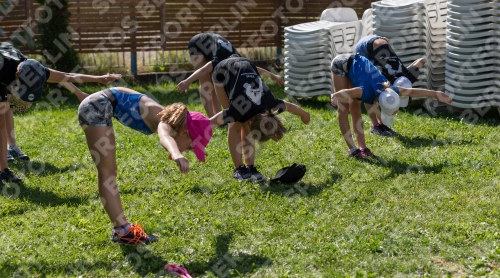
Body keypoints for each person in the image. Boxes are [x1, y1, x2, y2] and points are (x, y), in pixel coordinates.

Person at [77, 85, 213, 245]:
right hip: (98, 105)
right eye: (191, 147)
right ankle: (122, 231)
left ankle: (122, 230)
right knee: (107, 172)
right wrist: (176, 153)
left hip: (99, 102)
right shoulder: (164, 122)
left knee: (109, 172)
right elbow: (165, 137)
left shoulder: (169, 118)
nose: (189, 151)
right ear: (184, 132)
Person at [0, 42, 122, 186]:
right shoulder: (4, 71)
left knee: (2, 118)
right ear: (16, 75)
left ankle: (4, 170)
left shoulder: (33, 69)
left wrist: (97, 80)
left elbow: (66, 76)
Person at [178, 55, 310, 182]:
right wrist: (196, 138)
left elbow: (289, 106)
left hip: (246, 64)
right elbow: (211, 122)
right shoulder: (237, 110)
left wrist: (304, 114)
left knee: (243, 121)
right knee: (235, 123)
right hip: (222, 71)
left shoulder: (271, 105)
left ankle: (250, 167)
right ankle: (239, 169)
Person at [330, 53, 452, 158]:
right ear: (377, 104)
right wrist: (336, 95)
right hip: (342, 64)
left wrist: (436, 94)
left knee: (356, 108)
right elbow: (349, 93)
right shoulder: (365, 91)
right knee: (344, 108)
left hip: (356, 66)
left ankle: (362, 147)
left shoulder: (390, 90)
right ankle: (353, 150)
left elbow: (413, 92)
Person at [187, 33, 284, 117]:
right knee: (206, 81)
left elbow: (254, 68)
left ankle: (218, 115)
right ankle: (211, 118)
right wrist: (187, 82)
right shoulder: (219, 60)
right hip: (197, 44)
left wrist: (275, 77)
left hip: (213, 44)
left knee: (215, 82)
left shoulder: (239, 61)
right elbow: (203, 70)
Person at [354, 35, 427, 136]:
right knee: (370, 91)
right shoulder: (385, 76)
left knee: (379, 92)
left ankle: (381, 124)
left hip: (378, 40)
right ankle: (376, 126)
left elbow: (422, 60)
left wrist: (403, 69)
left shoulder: (409, 76)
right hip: (365, 47)